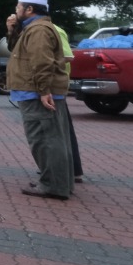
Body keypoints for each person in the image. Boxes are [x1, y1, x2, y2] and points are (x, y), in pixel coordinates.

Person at [6, 0, 73, 200]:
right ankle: (59, 182)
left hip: (36, 93)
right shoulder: (33, 28)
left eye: (18, 6)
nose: (15, 10)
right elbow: (17, 50)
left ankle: (53, 185)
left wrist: (44, 91)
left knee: (44, 140)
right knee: (53, 138)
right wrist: (12, 29)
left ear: (29, 9)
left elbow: (41, 62)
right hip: (36, 91)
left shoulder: (39, 30)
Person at [54, 23, 83, 182]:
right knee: (60, 130)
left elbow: (67, 56)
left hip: (55, 87)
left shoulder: (54, 30)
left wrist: (43, 69)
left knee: (60, 131)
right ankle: (67, 169)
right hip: (53, 86)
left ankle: (71, 170)